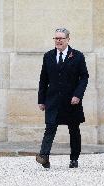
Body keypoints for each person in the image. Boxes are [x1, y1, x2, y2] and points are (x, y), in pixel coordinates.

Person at [36, 28, 89, 169]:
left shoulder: (77, 56)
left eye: (61, 38)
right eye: (56, 38)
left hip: (71, 100)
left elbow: (84, 77)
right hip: (52, 99)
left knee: (74, 129)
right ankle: (44, 156)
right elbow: (43, 79)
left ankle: (74, 158)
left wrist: (78, 95)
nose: (58, 41)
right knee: (50, 127)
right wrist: (41, 100)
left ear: (68, 40)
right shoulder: (48, 56)